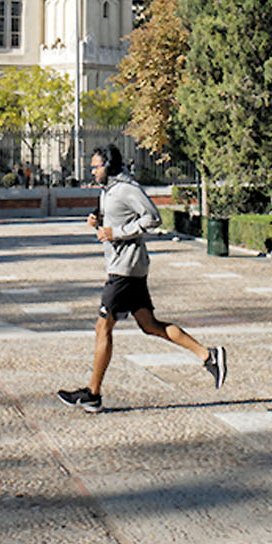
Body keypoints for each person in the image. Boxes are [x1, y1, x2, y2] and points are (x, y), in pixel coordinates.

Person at [57, 144, 227, 413]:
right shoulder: (108, 190)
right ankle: (208, 355)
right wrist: (98, 221)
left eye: (95, 166)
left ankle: (93, 393)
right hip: (125, 267)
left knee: (103, 326)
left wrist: (117, 233)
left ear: (108, 166)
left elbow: (153, 218)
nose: (92, 171)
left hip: (125, 269)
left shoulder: (127, 188)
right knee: (149, 325)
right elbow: (115, 219)